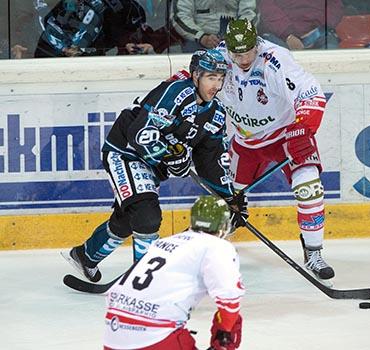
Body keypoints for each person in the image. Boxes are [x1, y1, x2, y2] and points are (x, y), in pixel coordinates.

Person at [62, 48, 248, 282]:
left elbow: (211, 161)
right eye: (211, 78)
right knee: (146, 216)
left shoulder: (215, 114)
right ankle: (144, 282)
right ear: (195, 75)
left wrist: (229, 198)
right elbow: (140, 133)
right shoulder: (176, 92)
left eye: (220, 79)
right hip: (126, 154)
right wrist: (170, 155)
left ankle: (84, 255)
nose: (216, 85)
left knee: (127, 220)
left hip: (151, 165)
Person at [217, 19, 335, 281]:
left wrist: (303, 126)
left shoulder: (274, 59)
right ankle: (208, 251)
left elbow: (310, 92)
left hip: (284, 135)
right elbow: (191, 84)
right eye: (236, 53)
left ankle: (313, 252)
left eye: (247, 51)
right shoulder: (217, 59)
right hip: (245, 142)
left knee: (310, 187)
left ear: (256, 43)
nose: (243, 58)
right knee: (225, 199)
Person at [103, 195, 244, 350]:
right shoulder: (217, 246)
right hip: (155, 340)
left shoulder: (164, 242)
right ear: (224, 225)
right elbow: (229, 299)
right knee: (234, 320)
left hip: (112, 334)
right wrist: (223, 339)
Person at [34, 0, 152, 57]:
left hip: (94, 65)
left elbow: (129, 36)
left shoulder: (123, 6)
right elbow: (27, 27)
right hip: (50, 64)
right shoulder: (50, 6)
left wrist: (128, 44)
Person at [171, 0, 257, 53]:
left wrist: (238, 35)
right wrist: (201, 37)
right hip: (198, 40)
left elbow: (250, 13)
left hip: (236, 37)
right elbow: (180, 16)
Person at [258, 0, 343, 50]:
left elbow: (335, 7)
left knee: (331, 53)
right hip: (280, 36)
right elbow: (268, 9)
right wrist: (287, 35)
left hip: (318, 33)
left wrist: (318, 28)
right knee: (274, 57)